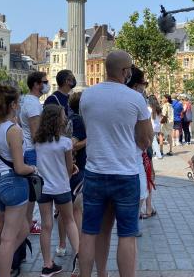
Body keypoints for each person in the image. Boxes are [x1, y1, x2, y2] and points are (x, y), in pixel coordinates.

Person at [78, 50, 153, 277]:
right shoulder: (135, 98)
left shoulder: (87, 96)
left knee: (92, 232)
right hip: (125, 173)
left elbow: (90, 126)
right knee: (127, 235)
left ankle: (97, 274)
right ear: (125, 71)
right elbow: (145, 139)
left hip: (94, 172)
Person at [0, 84, 37, 277]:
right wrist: (34, 168)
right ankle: (1, 269)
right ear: (13, 105)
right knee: (9, 237)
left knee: (21, 227)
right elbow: (19, 167)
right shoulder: (13, 130)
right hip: (14, 183)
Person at [35, 104, 79, 277]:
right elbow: (68, 167)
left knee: (46, 225)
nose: (65, 118)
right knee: (69, 221)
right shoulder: (65, 142)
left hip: (43, 188)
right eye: (62, 115)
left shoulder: (37, 141)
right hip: (61, 187)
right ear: (57, 119)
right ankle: (79, 255)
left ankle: (47, 265)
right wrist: (72, 168)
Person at [45, 69, 75, 256]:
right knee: (66, 211)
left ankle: (71, 245)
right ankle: (65, 245)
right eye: (71, 79)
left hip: (71, 149)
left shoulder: (71, 99)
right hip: (60, 149)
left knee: (72, 208)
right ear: (65, 81)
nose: (73, 81)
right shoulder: (53, 100)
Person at [19, 71, 50, 236]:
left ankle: (27, 219)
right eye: (45, 82)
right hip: (31, 150)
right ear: (37, 84)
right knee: (32, 190)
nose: (47, 84)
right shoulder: (32, 104)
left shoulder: (26, 100)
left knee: (30, 189)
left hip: (27, 148)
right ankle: (28, 222)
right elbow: (35, 132)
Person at [126, 67, 155, 228]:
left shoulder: (94, 95)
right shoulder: (137, 99)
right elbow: (146, 132)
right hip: (134, 153)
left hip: (106, 158)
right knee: (140, 190)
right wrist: (146, 145)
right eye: (143, 83)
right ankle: (132, 221)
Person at [68, 91, 87, 243]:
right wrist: (90, 138)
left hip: (75, 167)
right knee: (77, 208)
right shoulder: (78, 120)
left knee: (72, 208)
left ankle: (64, 244)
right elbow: (73, 145)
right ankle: (80, 241)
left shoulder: (72, 119)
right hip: (79, 166)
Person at [149, 95, 163, 160]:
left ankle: (158, 154)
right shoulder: (159, 108)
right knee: (153, 140)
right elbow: (160, 117)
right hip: (157, 126)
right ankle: (155, 153)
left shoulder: (149, 108)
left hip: (151, 126)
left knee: (153, 141)